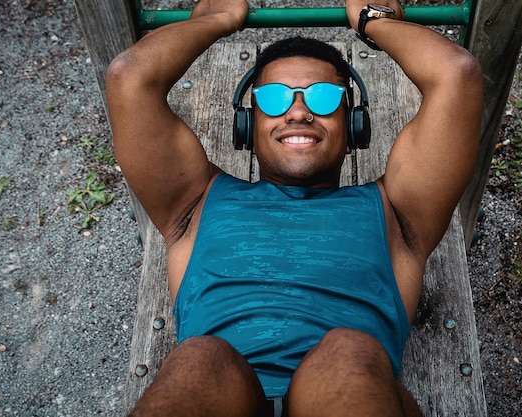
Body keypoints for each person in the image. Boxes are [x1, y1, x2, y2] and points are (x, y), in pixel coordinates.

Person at [106, 0, 483, 416]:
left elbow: (456, 75)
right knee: (203, 359)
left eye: (323, 97)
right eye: (272, 98)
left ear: (354, 123)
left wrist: (375, 20)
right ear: (247, 127)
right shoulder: (194, 201)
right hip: (215, 396)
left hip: (347, 395)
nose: (299, 111)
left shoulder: (397, 212)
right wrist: (217, 20)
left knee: (346, 351)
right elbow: (129, 77)